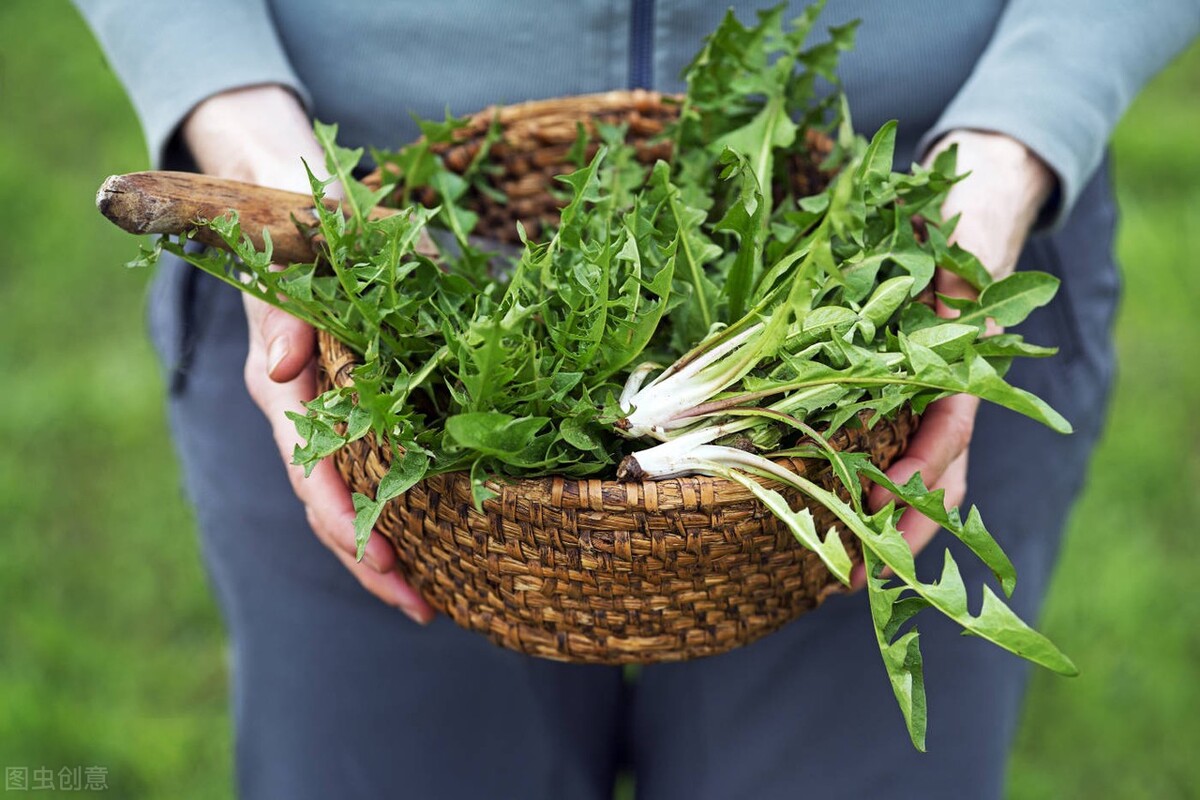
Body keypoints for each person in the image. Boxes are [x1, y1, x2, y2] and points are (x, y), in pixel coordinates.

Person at [73, 2, 1198, 798]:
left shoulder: (930, 235)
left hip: (926, 252)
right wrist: (238, 120)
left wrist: (1015, 142)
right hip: (351, 262)